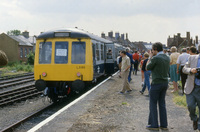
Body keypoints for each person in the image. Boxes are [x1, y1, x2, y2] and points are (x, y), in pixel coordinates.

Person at [146, 42, 170, 130]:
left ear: (155, 49)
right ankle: (164, 125)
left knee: (153, 103)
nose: (151, 51)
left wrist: (149, 57)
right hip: (165, 82)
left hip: (156, 83)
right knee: (162, 104)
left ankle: (154, 125)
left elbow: (147, 67)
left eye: (152, 50)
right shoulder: (167, 57)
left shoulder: (155, 58)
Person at [182, 47, 200, 130]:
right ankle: (194, 119)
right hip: (191, 87)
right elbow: (184, 69)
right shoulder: (192, 57)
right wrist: (191, 70)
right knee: (190, 106)